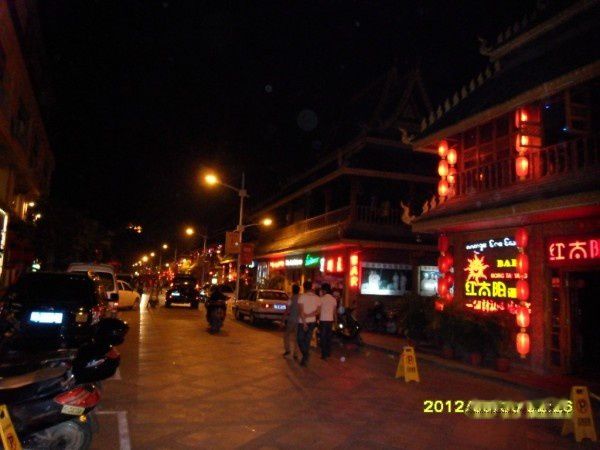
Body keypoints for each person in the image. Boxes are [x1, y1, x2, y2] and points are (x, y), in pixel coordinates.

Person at [296, 280, 320, 366]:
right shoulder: (317, 298)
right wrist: (310, 315)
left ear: (304, 287)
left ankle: (305, 355)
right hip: (312, 322)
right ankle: (305, 357)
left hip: (302, 322)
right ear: (311, 287)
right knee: (307, 340)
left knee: (300, 339)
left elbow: (301, 311)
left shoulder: (302, 297)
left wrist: (304, 323)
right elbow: (318, 311)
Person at [318, 283, 337, 360]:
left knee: (323, 338)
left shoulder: (321, 299)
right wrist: (335, 322)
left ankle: (324, 355)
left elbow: (319, 311)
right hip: (330, 321)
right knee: (328, 337)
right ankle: (328, 353)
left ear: (324, 290)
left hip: (323, 320)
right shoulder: (333, 299)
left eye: (322, 290)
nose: (321, 291)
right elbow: (334, 313)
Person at [282, 284, 300, 360]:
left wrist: (283, 319)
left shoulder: (291, 299)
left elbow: (287, 310)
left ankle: (288, 350)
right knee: (296, 337)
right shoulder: (301, 298)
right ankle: (296, 353)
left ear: (292, 290)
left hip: (291, 320)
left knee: (286, 335)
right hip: (299, 321)